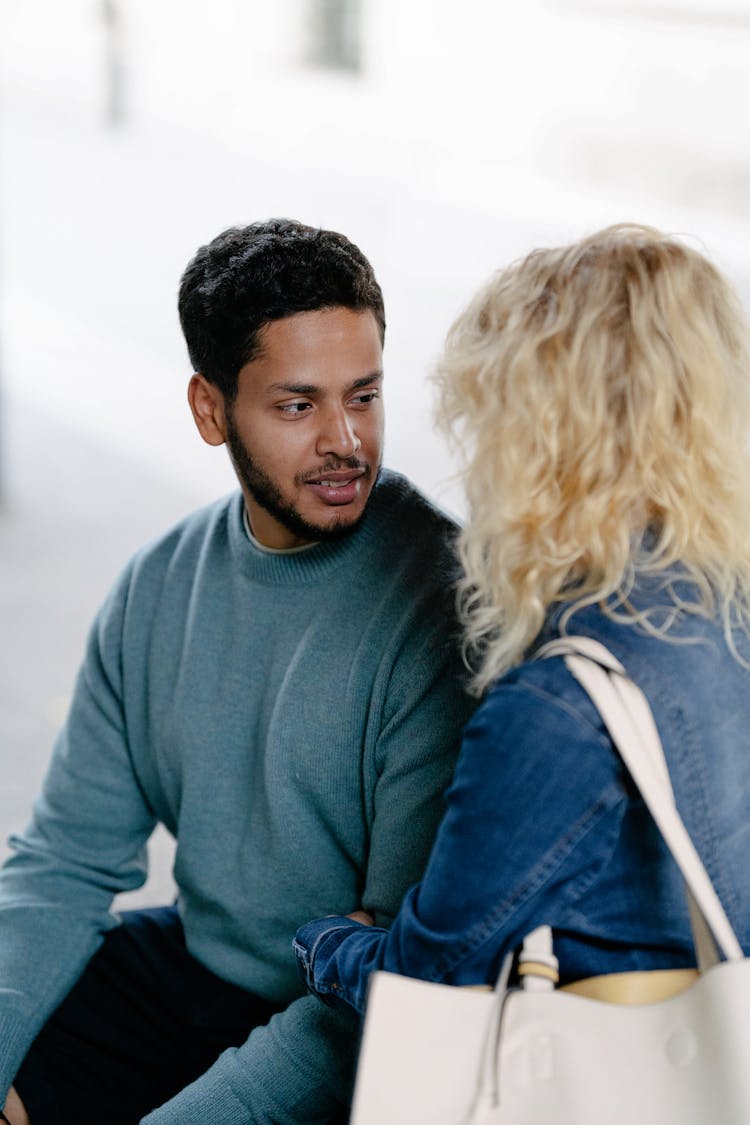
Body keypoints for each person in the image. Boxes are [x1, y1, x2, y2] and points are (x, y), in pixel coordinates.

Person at [0, 219, 473, 1125]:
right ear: (210, 409)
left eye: (364, 396)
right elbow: (63, 860)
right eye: (298, 405)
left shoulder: (439, 608)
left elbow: (395, 984)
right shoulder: (156, 586)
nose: (346, 441)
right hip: (194, 966)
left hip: (352, 1019)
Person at [294, 222, 750, 1016]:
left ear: (541, 439)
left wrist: (326, 941)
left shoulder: (562, 703)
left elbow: (426, 981)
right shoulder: (728, 605)